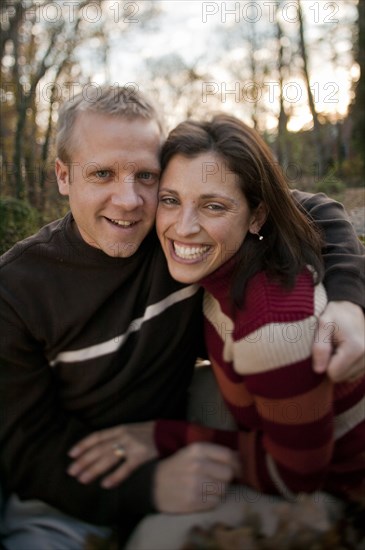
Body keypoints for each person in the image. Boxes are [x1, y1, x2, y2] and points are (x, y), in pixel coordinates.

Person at [0, 88, 363, 550]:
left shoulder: (177, 235)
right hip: (69, 488)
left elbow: (311, 210)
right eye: (103, 174)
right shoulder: (15, 291)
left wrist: (349, 304)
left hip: (189, 439)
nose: (129, 200)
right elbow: (28, 449)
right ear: (63, 175)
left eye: (146, 176)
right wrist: (149, 485)